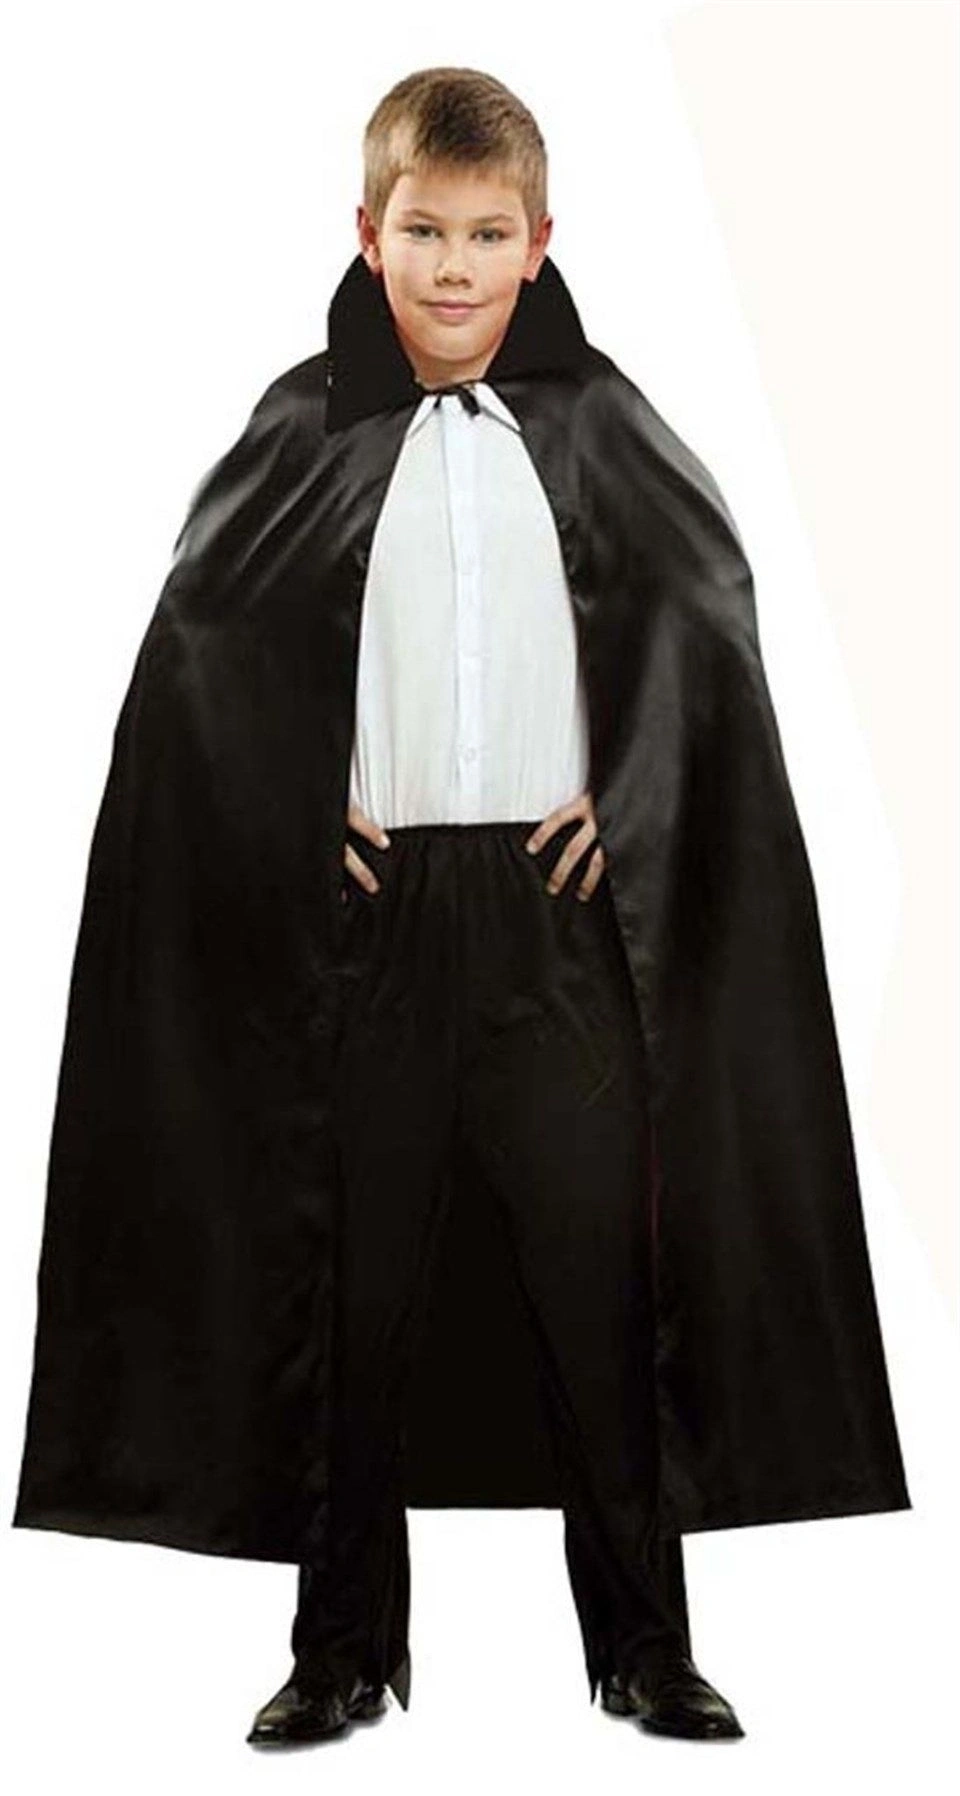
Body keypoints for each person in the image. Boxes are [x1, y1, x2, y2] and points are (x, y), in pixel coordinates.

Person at [12, 66, 911, 1749]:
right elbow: (203, 655)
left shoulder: (606, 423)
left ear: (539, 244)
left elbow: (704, 620)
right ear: (368, 236)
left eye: (488, 236)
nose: (453, 267)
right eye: (424, 232)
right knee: (349, 1283)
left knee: (605, 1282)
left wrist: (631, 792)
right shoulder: (299, 426)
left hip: (562, 912)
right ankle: (340, 1647)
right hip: (370, 916)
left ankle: (643, 1644)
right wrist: (293, 799)